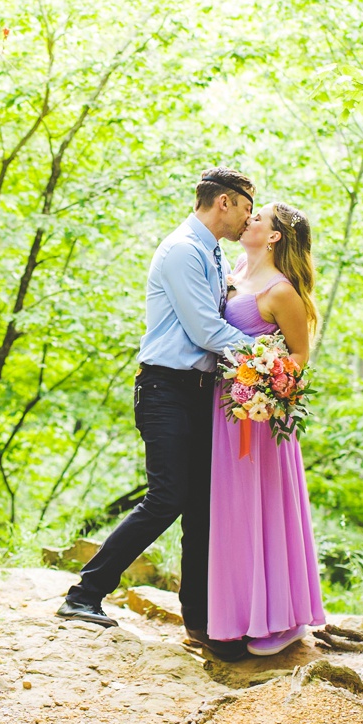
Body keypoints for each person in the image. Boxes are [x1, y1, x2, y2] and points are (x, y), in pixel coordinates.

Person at [57, 167, 257, 662]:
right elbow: (207, 330)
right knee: (167, 496)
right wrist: (270, 354)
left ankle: (203, 624)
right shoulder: (182, 251)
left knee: (202, 507)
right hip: (166, 388)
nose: (248, 220)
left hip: (201, 391)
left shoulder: (212, 252)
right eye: (246, 209)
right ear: (225, 203)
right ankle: (84, 594)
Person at [207, 202, 326, 655]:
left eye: (258, 218)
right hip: (226, 411)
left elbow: (298, 356)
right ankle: (235, 615)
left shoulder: (282, 292)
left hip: (259, 419)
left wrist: (265, 382)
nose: (247, 220)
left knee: (262, 511)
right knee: (231, 515)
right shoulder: (236, 267)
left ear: (274, 236)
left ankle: (281, 618)